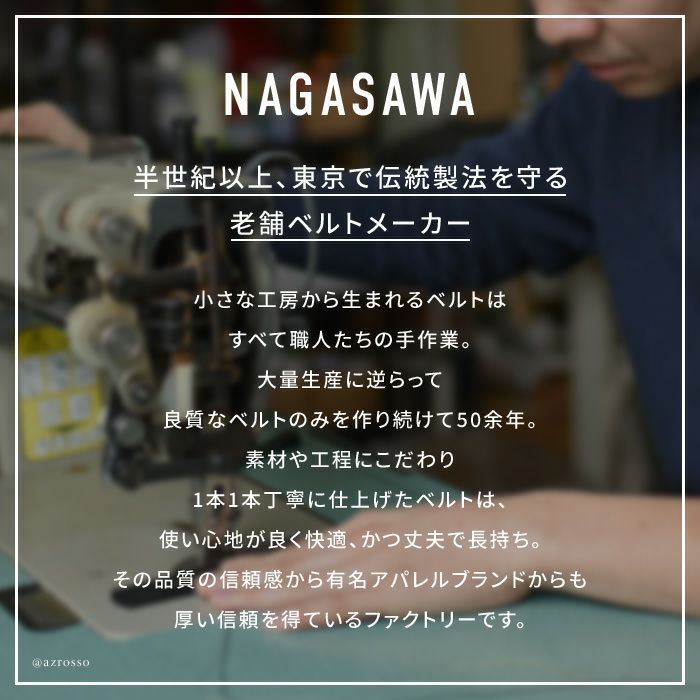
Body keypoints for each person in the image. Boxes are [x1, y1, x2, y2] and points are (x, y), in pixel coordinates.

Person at [3, 2, 698, 625]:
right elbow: (455, 211)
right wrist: (159, 198)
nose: (557, 26)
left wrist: (529, 536)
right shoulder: (612, 105)